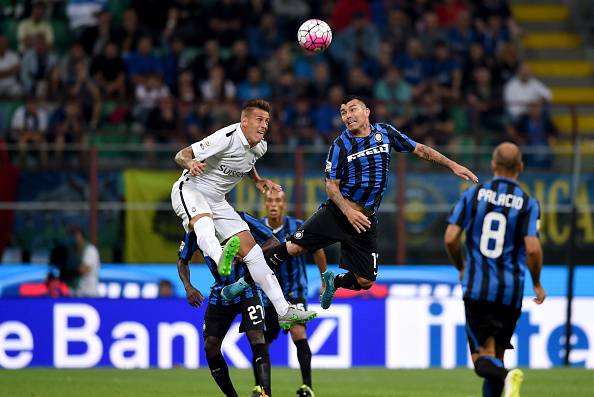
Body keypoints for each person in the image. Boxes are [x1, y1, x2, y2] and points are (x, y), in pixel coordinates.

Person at [223, 95, 478, 312]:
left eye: (352, 109)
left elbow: (421, 150)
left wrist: (453, 164)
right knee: (293, 248)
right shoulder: (340, 144)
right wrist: (348, 211)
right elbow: (331, 187)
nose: (347, 115)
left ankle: (335, 281)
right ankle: (243, 282)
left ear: (367, 112)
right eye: (343, 112)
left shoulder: (385, 133)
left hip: (366, 219)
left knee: (366, 281)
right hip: (338, 212)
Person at [170, 98, 316, 331]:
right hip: (191, 189)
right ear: (244, 121)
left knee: (254, 253)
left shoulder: (261, 146)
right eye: (259, 120)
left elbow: (247, 162)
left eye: (267, 121)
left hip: (218, 200)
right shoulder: (226, 137)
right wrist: (190, 163)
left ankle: (284, 310)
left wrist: (257, 180)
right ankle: (221, 261)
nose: (264, 125)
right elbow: (181, 154)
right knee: (204, 224)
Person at [444, 142, 546, 397]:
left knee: (482, 361)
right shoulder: (528, 203)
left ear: (493, 165)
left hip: (478, 287)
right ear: (520, 167)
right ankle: (504, 375)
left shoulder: (474, 195)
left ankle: (507, 375)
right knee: (496, 356)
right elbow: (533, 248)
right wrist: (536, 283)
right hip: (511, 291)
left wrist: (462, 266)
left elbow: (450, 238)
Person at [177, 212, 277, 397]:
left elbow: (274, 242)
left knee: (256, 336)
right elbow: (183, 260)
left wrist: (250, 255)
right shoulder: (196, 227)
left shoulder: (241, 218)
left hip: (249, 287)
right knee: (210, 345)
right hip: (221, 293)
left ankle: (265, 394)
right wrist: (188, 286)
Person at [243, 190, 326, 397]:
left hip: (293, 290)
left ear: (284, 204)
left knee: (298, 331)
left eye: (277, 200)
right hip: (265, 293)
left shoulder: (298, 226)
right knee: (262, 340)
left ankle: (307, 386)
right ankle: (261, 389)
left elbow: (317, 249)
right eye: (270, 200)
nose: (273, 204)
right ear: (265, 203)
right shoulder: (254, 228)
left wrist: (324, 279)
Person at [70, 225, 100, 297]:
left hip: (89, 293)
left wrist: (67, 270)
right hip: (77, 292)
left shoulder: (90, 250)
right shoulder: (74, 251)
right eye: (72, 236)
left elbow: (84, 269)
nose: (74, 238)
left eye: (77, 235)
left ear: (82, 236)